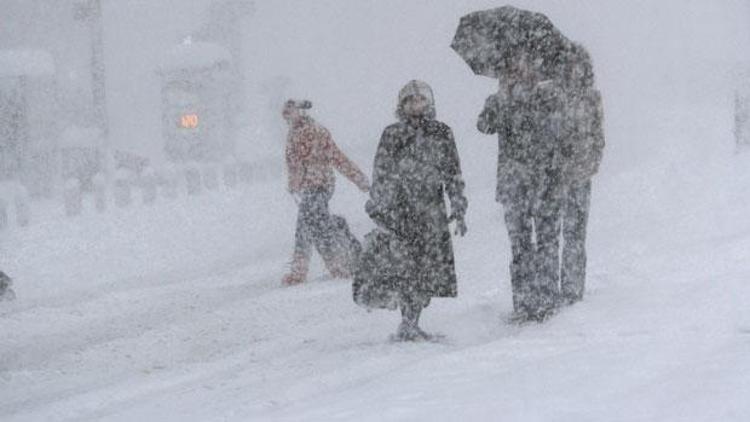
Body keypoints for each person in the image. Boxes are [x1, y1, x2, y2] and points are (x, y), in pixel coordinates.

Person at [366, 80, 467, 340]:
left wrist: (458, 204)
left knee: (429, 270)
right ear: (402, 105)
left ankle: (413, 320)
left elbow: (453, 172)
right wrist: (380, 204)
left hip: (432, 212)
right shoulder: (393, 134)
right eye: (410, 100)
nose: (415, 104)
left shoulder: (441, 133)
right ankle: (408, 322)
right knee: (407, 270)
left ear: (429, 102)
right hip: (401, 213)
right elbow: (381, 172)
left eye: (420, 99)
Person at [477, 53, 566, 322]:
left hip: (545, 182)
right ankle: (524, 303)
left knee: (548, 242)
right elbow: (483, 125)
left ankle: (548, 300)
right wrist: (502, 102)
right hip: (514, 185)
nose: (519, 72)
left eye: (524, 67)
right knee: (520, 246)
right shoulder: (498, 101)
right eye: (513, 69)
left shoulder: (547, 97)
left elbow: (560, 129)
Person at [281, 100, 370, 286]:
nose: (289, 118)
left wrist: (359, 178)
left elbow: (338, 158)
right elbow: (294, 164)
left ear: (301, 112)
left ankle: (309, 269)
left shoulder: (317, 131)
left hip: (320, 185)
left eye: (291, 113)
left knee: (306, 227)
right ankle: (343, 255)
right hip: (307, 188)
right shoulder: (293, 133)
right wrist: (294, 184)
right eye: (286, 115)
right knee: (318, 226)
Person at [559, 44, 605, 305]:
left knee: (576, 233)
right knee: (554, 234)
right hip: (555, 176)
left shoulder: (592, 98)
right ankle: (552, 287)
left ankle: (573, 289)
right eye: (569, 64)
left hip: (580, 174)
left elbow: (598, 135)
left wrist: (592, 163)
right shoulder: (553, 95)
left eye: (578, 64)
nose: (574, 69)